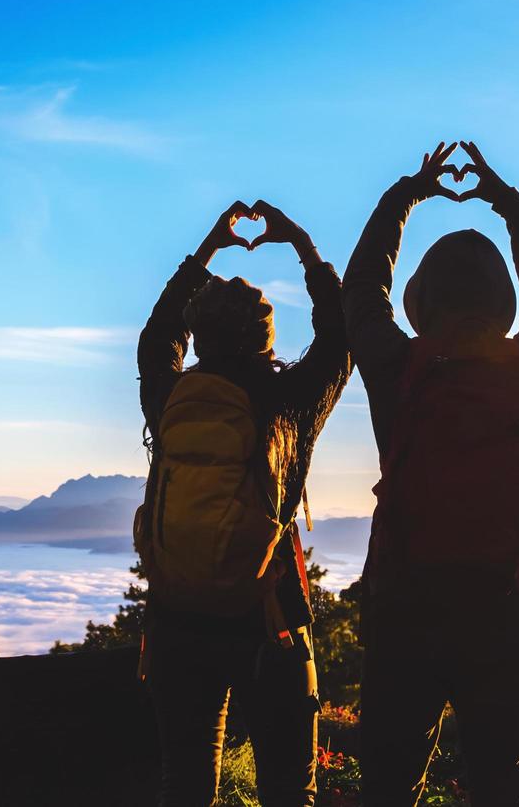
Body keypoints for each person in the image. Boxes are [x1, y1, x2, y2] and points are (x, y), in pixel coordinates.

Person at [343, 141, 519, 807]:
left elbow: (361, 288)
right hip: (501, 606)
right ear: (500, 301)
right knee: (500, 787)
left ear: (425, 301)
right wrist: (508, 201)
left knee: (389, 784)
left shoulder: (398, 367)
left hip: (404, 601)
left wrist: (406, 195)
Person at [136, 199, 351, 807]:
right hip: (268, 620)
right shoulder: (288, 403)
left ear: (199, 334)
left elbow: (156, 339)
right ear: (266, 335)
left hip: (176, 619)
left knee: (186, 786)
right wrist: (304, 248)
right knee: (288, 791)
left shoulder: (171, 394)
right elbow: (340, 337)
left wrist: (206, 251)